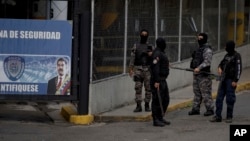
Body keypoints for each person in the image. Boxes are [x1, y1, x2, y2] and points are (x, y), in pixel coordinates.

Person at [210, 40, 242, 123]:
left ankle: (229, 116)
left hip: (230, 80)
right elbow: (221, 64)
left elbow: (238, 69)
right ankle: (217, 116)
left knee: (230, 99)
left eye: (226, 46)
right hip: (223, 79)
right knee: (219, 98)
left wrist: (235, 80)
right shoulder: (227, 56)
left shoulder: (236, 56)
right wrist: (219, 68)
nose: (225, 48)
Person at [188, 32, 214, 116]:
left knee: (205, 93)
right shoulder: (198, 49)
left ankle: (210, 109)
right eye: (198, 38)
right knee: (197, 92)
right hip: (196, 74)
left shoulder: (207, 50)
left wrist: (199, 68)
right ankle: (195, 108)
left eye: (201, 38)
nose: (199, 40)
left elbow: (207, 62)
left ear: (205, 39)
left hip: (204, 75)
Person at [129, 29, 152, 112]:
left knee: (148, 88)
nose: (144, 36)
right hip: (138, 69)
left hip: (147, 70)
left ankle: (147, 105)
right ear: (140, 35)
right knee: (138, 88)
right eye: (143, 34)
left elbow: (153, 58)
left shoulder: (150, 46)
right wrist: (130, 69)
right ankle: (138, 105)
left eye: (145, 35)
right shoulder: (136, 45)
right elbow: (132, 58)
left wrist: (150, 54)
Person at [150, 37, 170, 127]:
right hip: (157, 81)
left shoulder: (161, 52)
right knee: (157, 101)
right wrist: (156, 81)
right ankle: (156, 119)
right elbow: (155, 68)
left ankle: (160, 117)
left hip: (163, 80)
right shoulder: (157, 53)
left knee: (165, 99)